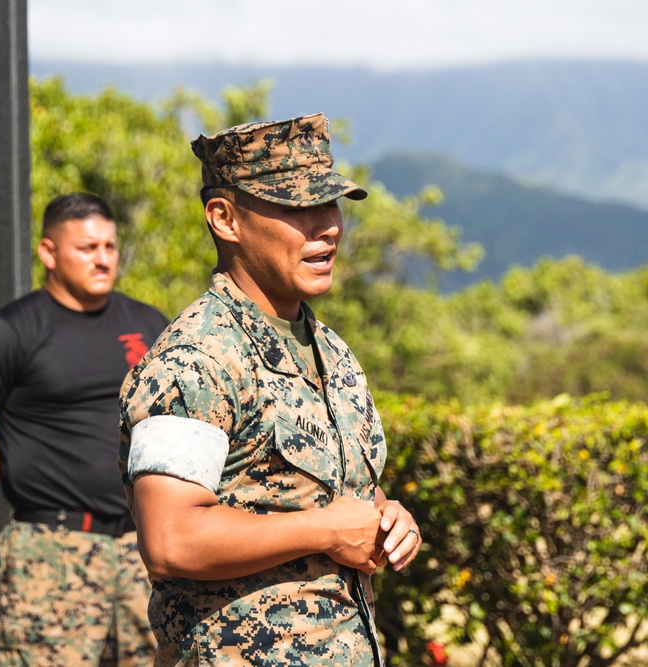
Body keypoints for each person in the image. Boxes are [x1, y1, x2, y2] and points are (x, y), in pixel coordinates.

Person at [118, 113, 423, 666]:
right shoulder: (193, 359)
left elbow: (327, 487)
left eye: (329, 204)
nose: (326, 226)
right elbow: (171, 539)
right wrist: (326, 530)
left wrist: (386, 518)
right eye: (295, 209)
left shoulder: (330, 350)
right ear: (224, 218)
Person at [0, 192, 167, 666]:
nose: (102, 260)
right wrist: (27, 470)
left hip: (142, 547)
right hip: (52, 551)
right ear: (48, 253)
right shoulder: (12, 331)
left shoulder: (147, 323)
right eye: (87, 248)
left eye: (110, 247)